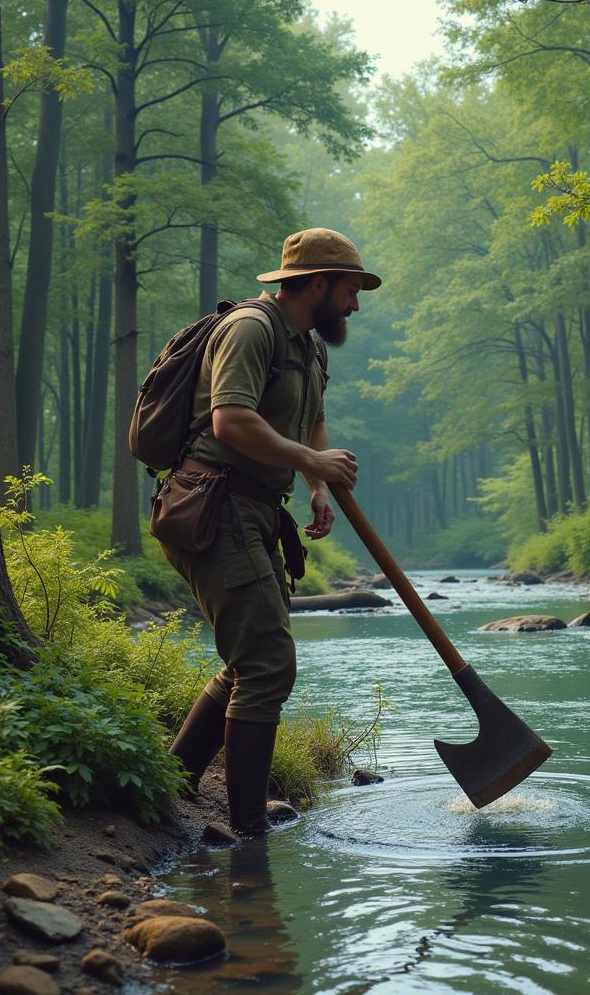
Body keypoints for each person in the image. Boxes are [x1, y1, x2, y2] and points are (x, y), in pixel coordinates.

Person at [160, 227, 381, 837]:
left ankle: (171, 787)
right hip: (211, 505)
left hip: (258, 509)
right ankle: (249, 836)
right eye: (350, 291)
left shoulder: (308, 346)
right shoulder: (251, 330)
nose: (355, 305)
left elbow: (312, 417)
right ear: (316, 283)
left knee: (247, 660)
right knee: (266, 663)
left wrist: (314, 483)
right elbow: (231, 421)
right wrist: (313, 463)